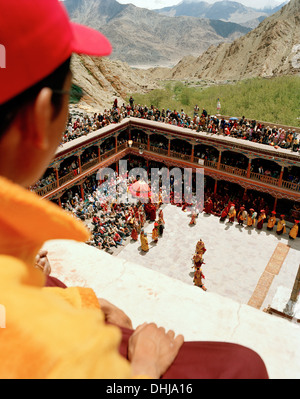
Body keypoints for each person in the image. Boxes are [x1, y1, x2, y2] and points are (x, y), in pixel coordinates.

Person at [0, 0, 268, 380]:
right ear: (43, 115)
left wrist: (78, 301)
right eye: (70, 95)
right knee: (244, 366)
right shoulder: (51, 346)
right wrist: (143, 369)